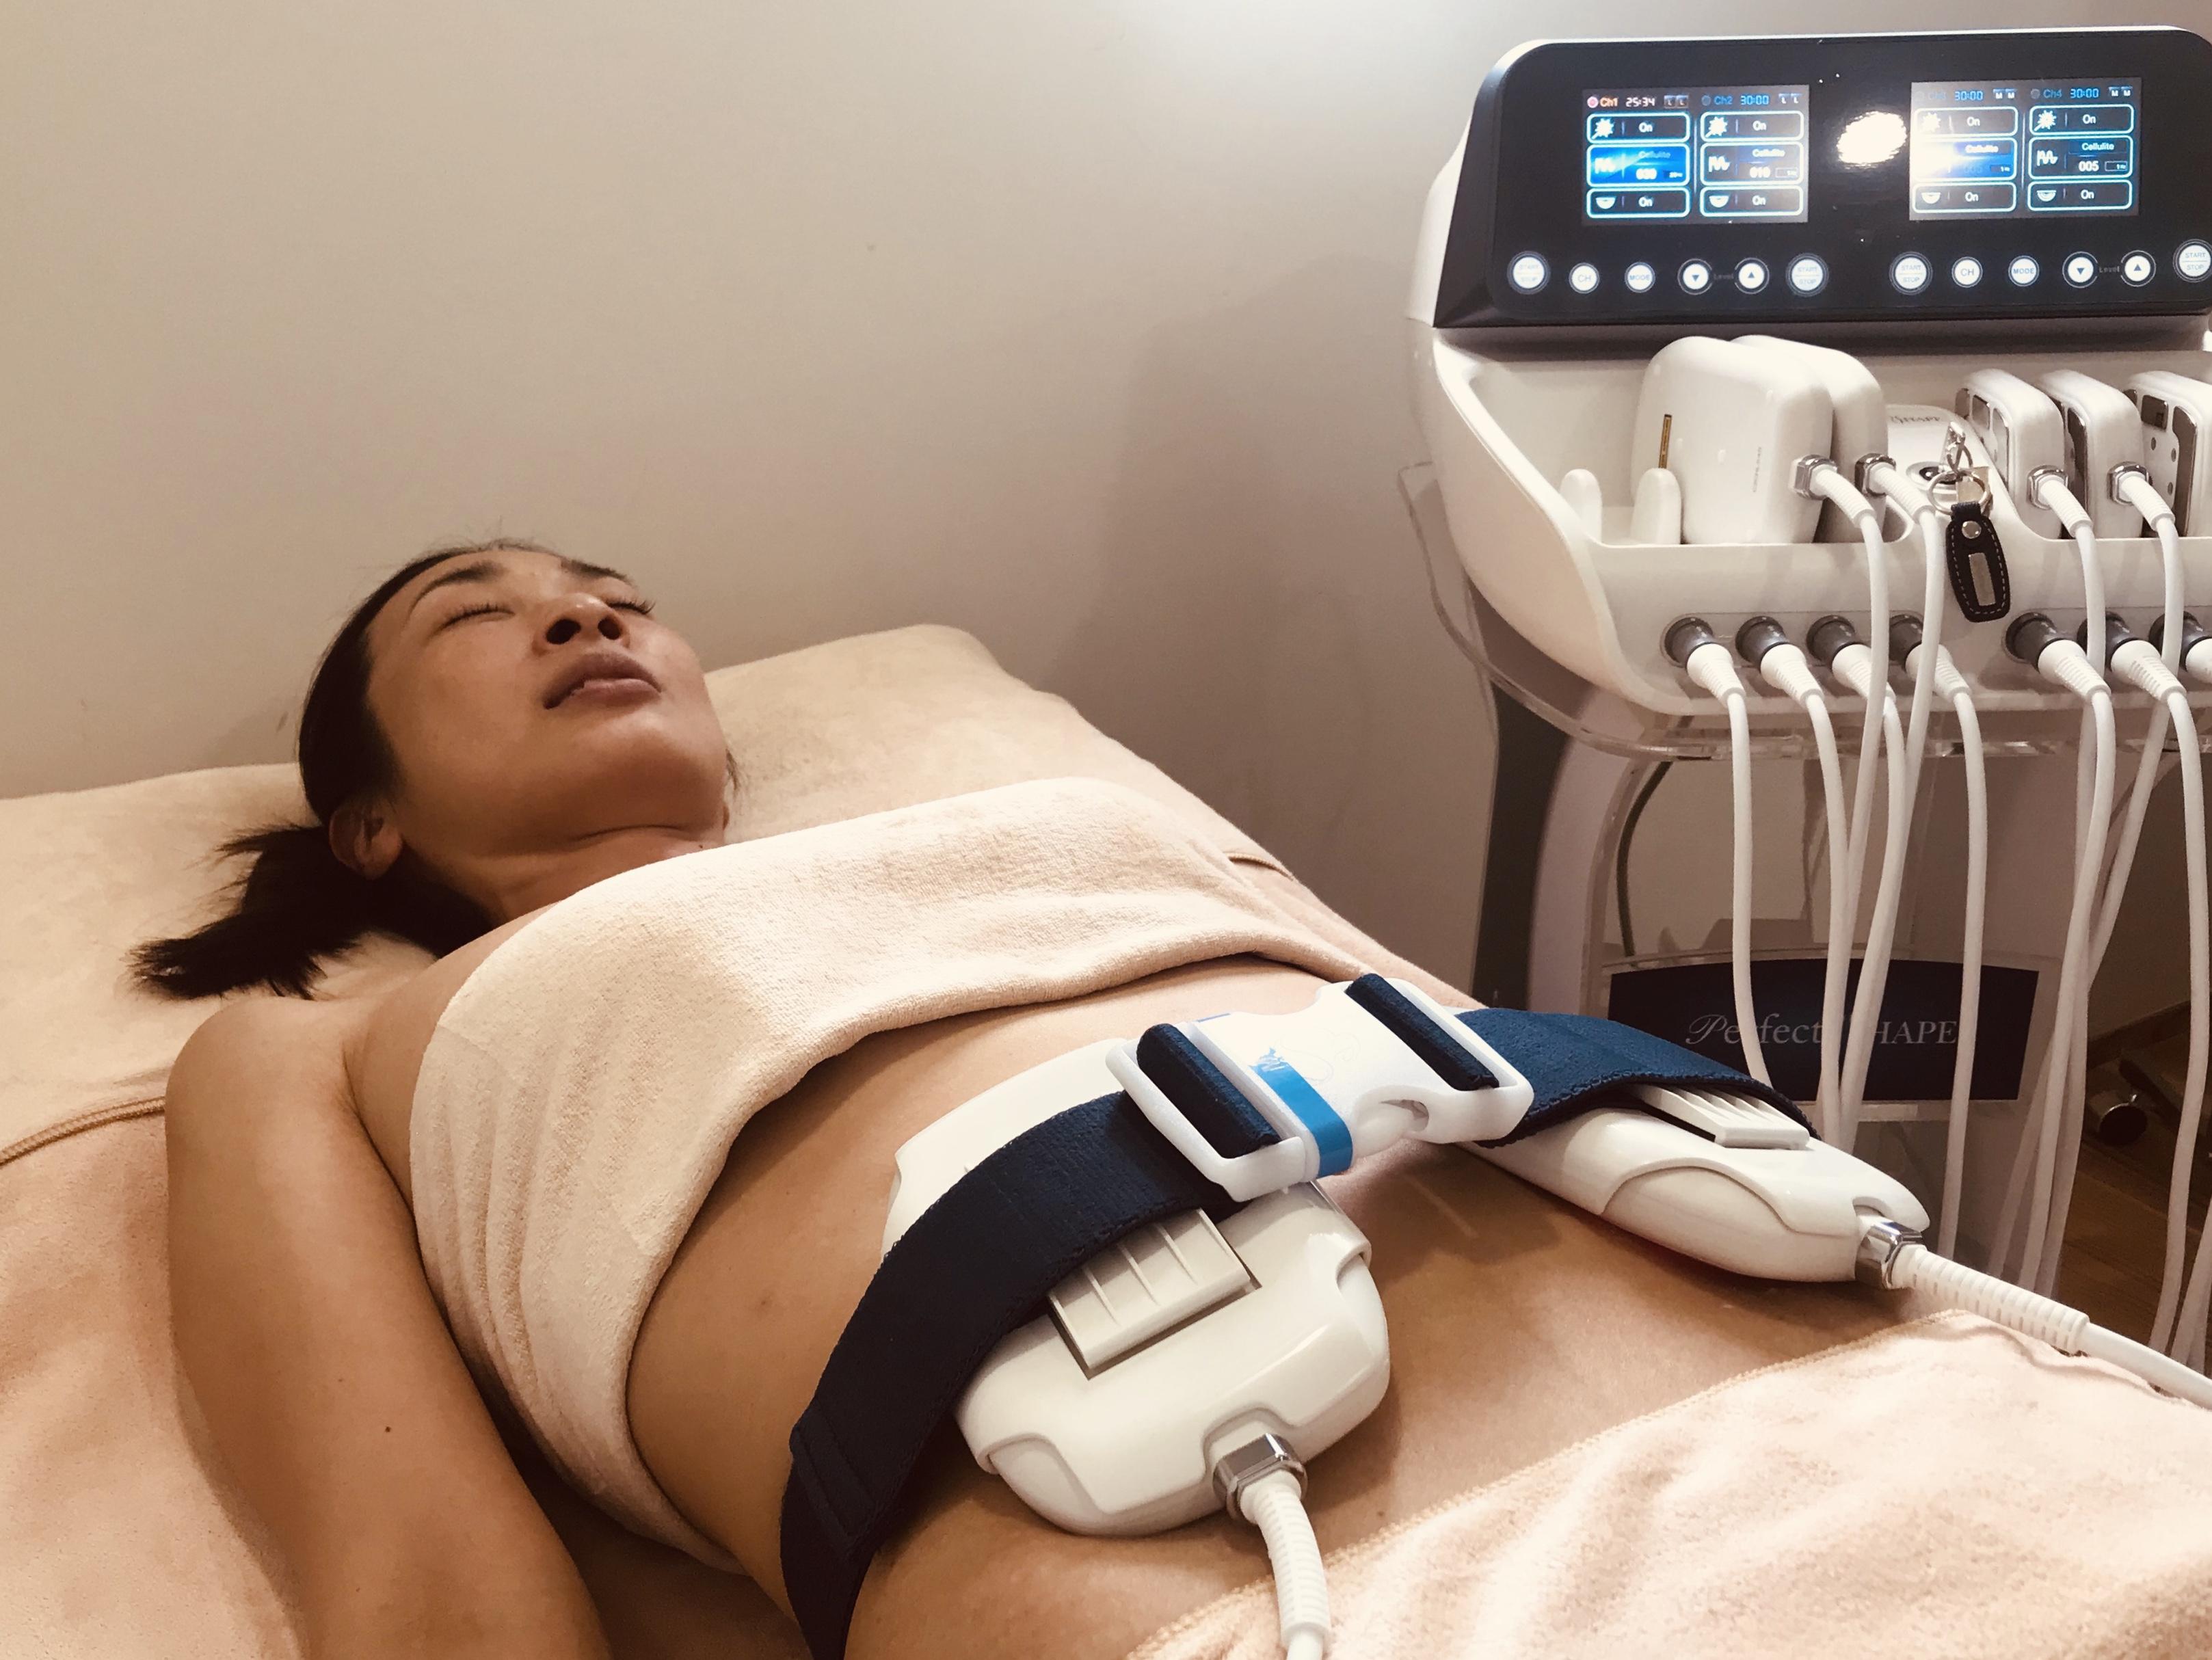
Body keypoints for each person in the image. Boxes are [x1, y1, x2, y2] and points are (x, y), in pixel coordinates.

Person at [148, 541, 1887, 1659]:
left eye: (617, 593)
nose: (587, 613)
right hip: (1212, 1562)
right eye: (478, 610)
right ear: (367, 823)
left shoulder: (1045, 821)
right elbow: (420, 1584)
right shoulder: (317, 1047)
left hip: (1825, 1377)